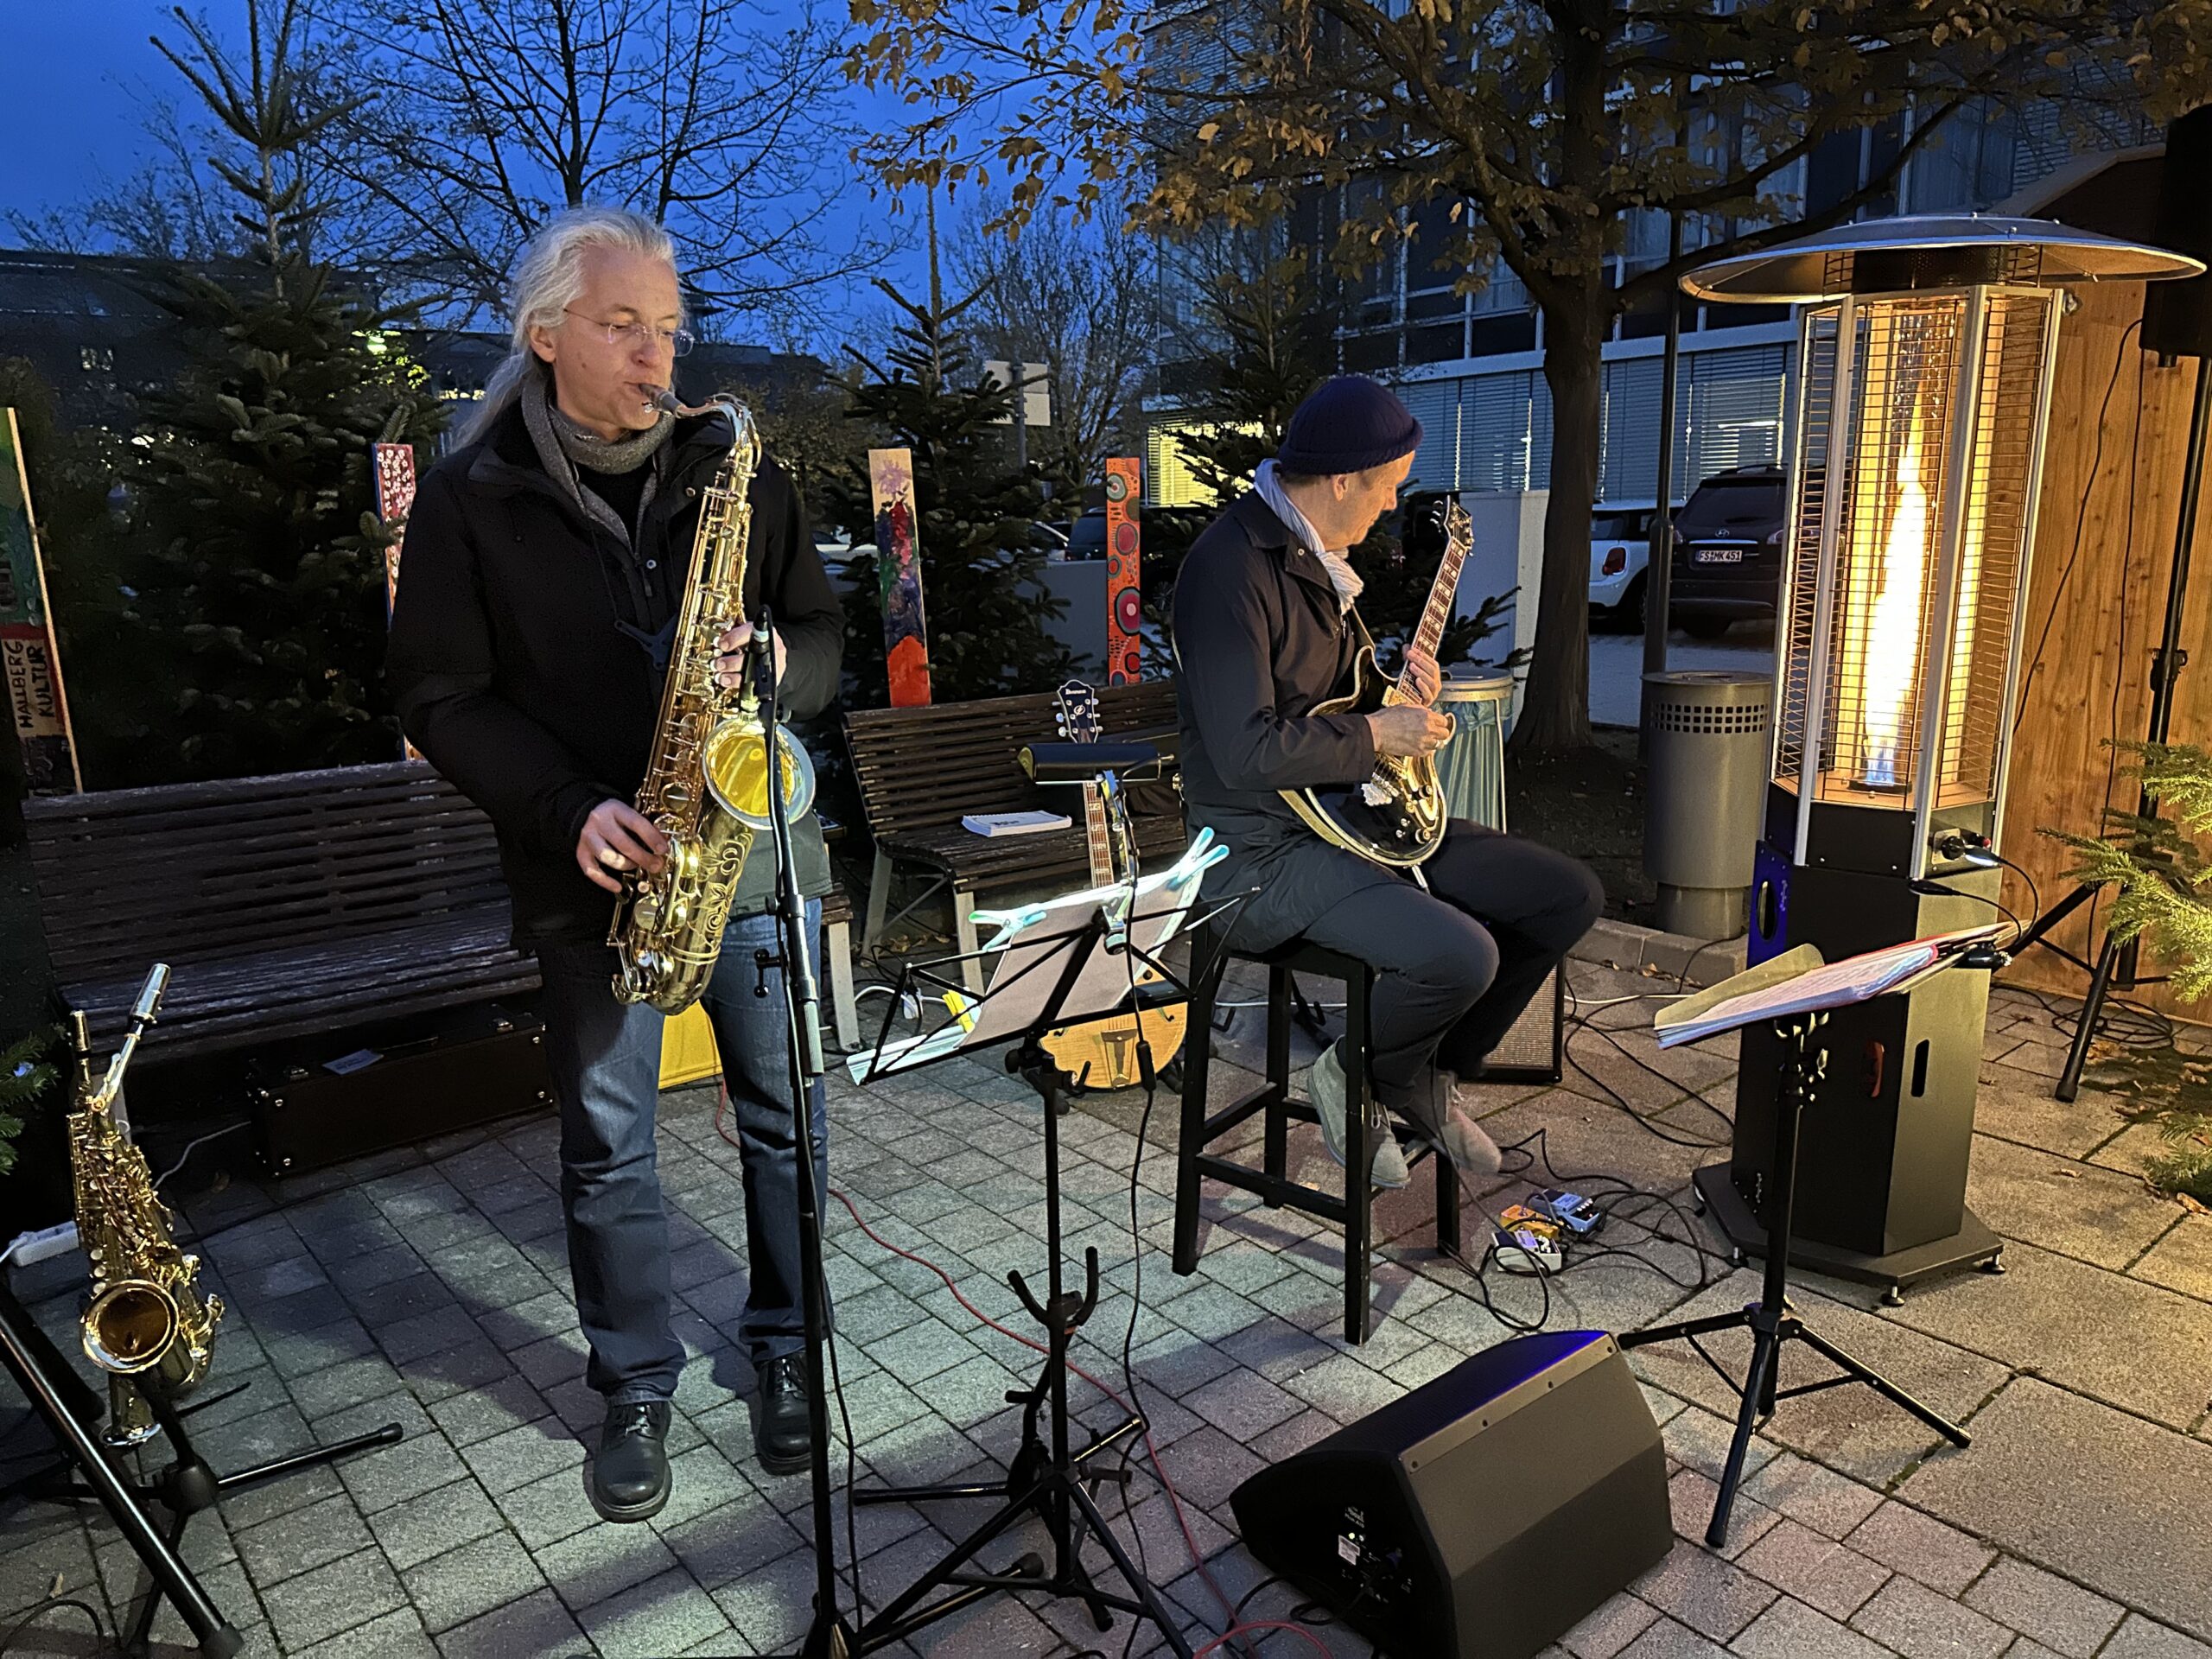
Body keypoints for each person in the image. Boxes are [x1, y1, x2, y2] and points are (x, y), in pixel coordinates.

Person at [387, 207, 842, 1522]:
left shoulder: (734, 464)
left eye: (669, 324)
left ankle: (787, 1348)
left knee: (787, 1123)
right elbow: (438, 697)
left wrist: (768, 671)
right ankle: (633, 1380)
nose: (660, 353)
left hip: (747, 852)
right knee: (608, 1145)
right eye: (623, 325)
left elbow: (817, 635)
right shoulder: (469, 496)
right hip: (592, 862)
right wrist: (566, 808)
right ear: (545, 336)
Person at [1172, 375, 1603, 1187]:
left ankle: (1421, 1072)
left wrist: (1396, 697)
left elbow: (1330, 698)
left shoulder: (1316, 558)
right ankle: (1355, 1070)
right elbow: (1244, 752)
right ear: (1342, 480)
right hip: (1259, 852)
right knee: (1461, 956)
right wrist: (1374, 734)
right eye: (1387, 488)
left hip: (1350, 819)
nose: (1386, 508)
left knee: (1564, 896)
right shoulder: (1229, 570)